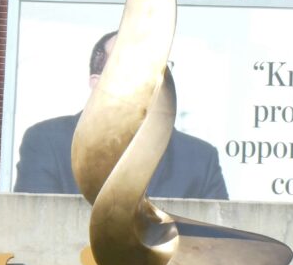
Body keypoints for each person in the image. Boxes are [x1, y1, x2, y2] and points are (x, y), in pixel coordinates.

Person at [14, 31, 229, 199]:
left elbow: (218, 243)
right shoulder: (47, 142)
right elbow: (37, 225)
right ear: (96, 83)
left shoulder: (199, 158)